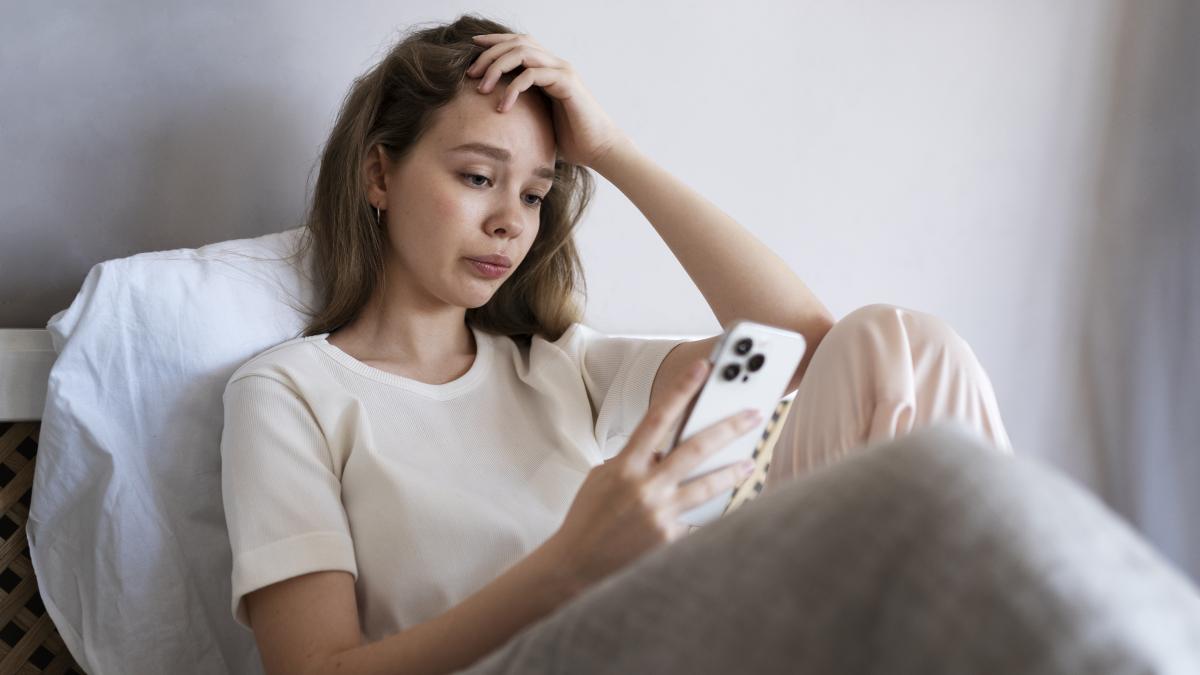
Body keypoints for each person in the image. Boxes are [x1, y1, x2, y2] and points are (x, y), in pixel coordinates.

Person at [219, 13, 1014, 675]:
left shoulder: (557, 363)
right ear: (378, 176)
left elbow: (799, 342)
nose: (510, 220)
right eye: (475, 177)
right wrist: (568, 563)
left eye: (533, 193)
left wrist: (610, 151)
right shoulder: (290, 392)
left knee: (902, 344)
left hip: (691, 633)